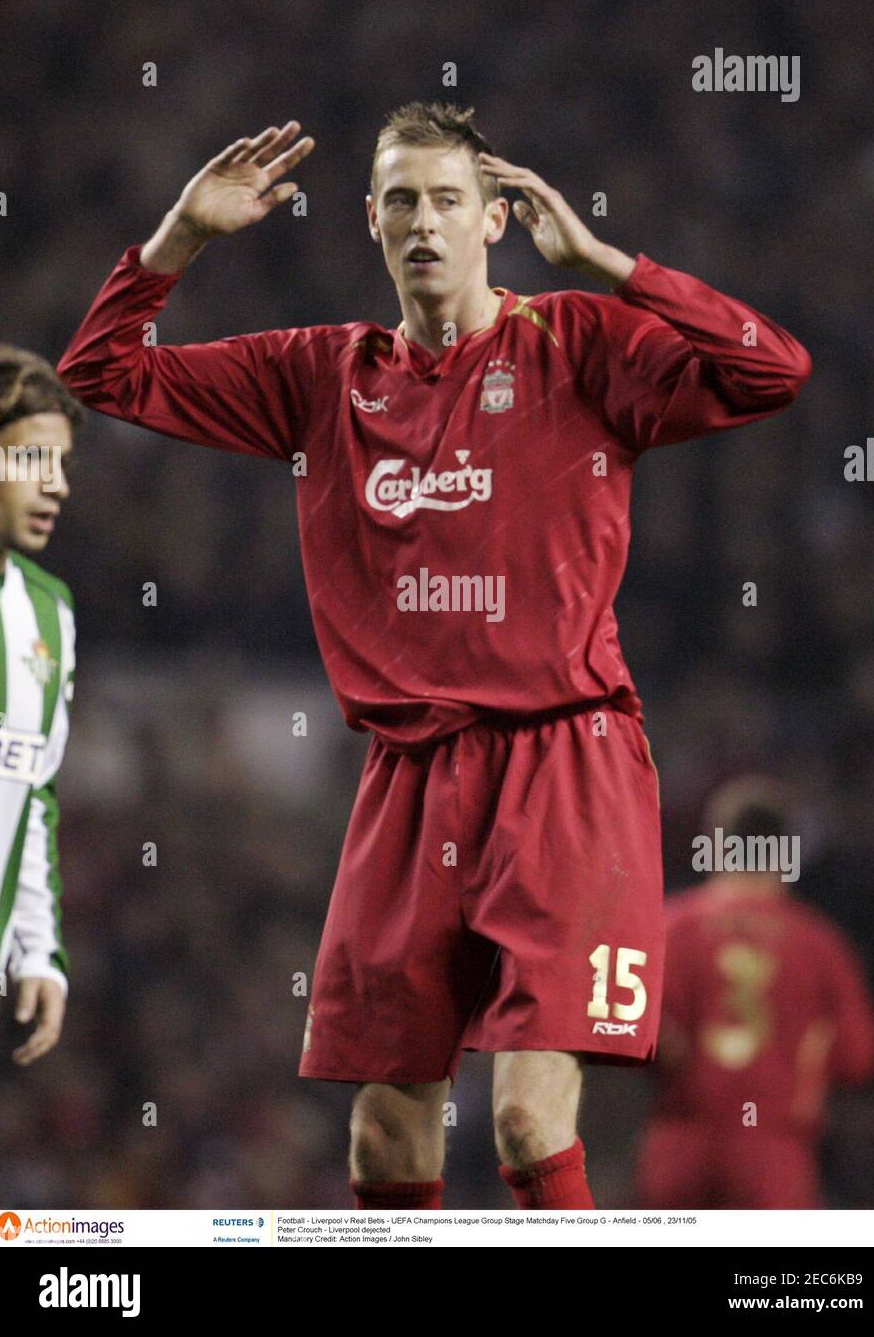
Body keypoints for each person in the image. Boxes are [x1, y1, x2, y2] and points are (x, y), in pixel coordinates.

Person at [57, 101, 811, 1209]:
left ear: (495, 219)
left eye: (448, 200)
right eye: (401, 200)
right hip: (409, 783)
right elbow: (100, 373)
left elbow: (773, 370)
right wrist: (181, 240)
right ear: (369, 220)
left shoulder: (578, 344)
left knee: (520, 1116)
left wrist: (611, 264)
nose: (424, 221)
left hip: (566, 762)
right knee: (384, 1142)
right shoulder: (323, 375)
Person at [634, 776, 874, 1208]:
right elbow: (859, 1058)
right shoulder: (819, 943)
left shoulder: (667, 928)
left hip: (680, 1144)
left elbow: (631, 1032)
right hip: (774, 1153)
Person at [0, 343, 83, 1108]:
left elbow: (29, 794)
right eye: (31, 460)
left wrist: (38, 952)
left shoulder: (46, 613)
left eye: (62, 463)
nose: (56, 485)